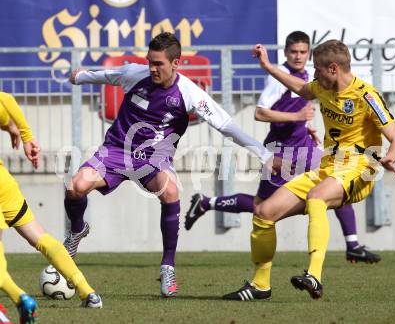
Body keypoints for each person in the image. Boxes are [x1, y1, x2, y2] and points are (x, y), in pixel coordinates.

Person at [65, 32, 274, 298]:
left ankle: (168, 266)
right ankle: (76, 232)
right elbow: (107, 75)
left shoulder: (190, 93)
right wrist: (80, 76)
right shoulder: (134, 74)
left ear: (176, 63)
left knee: (171, 191)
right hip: (116, 150)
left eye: (159, 63)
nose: (152, 68)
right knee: (75, 187)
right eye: (150, 61)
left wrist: (264, 155)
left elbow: (225, 125)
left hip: (154, 158)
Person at [223, 39, 395, 301]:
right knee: (263, 212)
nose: (314, 74)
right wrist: (267, 66)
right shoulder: (322, 88)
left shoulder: (367, 95)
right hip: (328, 168)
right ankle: (260, 285)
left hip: (360, 169)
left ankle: (315, 276)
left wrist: (390, 157)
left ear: (333, 68)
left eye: (317, 69)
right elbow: (300, 88)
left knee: (317, 197)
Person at [185, 31, 381, 264]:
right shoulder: (279, 78)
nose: (298, 56)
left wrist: (306, 125)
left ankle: (353, 244)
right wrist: (296, 116)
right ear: (286, 53)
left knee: (338, 180)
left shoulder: (310, 75)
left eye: (303, 52)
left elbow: (302, 104)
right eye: (293, 52)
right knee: (262, 207)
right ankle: (207, 202)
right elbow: (260, 112)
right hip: (282, 152)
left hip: (305, 147)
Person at [0, 92, 103, 321]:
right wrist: (22, 134)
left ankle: (19, 299)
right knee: (40, 237)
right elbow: (5, 99)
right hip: (3, 183)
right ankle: (88, 292)